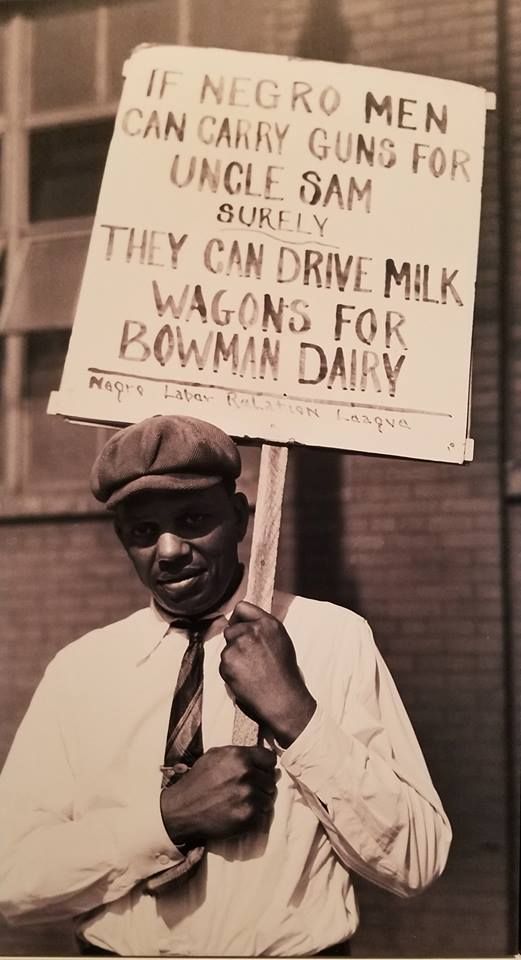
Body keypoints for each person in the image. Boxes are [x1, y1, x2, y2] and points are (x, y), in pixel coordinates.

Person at [0, 414, 452, 957]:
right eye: (144, 532)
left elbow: (416, 859)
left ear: (239, 518)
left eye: (192, 520)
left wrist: (296, 715)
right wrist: (167, 820)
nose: (168, 550)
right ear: (124, 539)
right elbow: (13, 881)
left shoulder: (333, 639)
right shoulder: (81, 671)